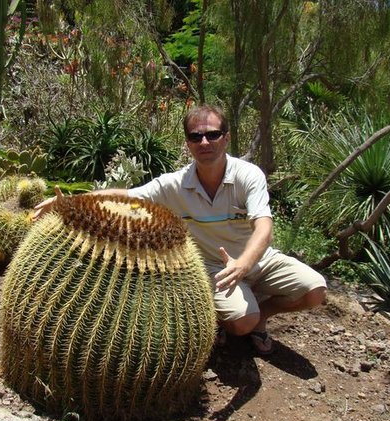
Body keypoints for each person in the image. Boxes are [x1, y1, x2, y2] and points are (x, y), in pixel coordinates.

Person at [33, 104, 327, 356]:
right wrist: (70, 201)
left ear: (226, 138)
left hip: (258, 259)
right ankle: (234, 319)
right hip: (215, 268)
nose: (204, 142)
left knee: (315, 290)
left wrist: (244, 264)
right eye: (195, 136)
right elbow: (126, 195)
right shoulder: (174, 184)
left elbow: (264, 226)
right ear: (187, 143)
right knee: (241, 322)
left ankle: (262, 316)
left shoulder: (247, 175)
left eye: (212, 135)